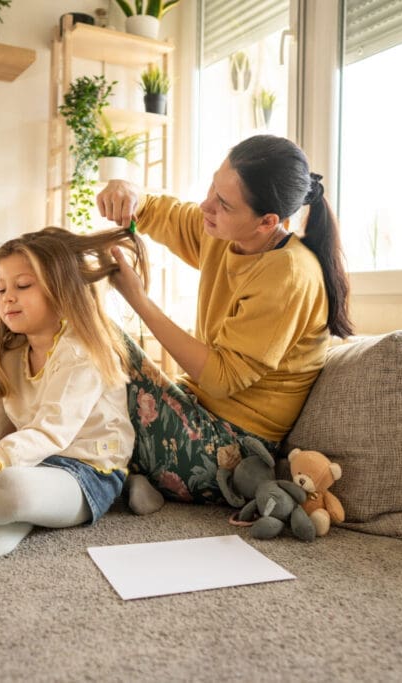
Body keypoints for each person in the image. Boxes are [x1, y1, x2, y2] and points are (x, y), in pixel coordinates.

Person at [96, 134, 353, 515]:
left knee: (98, 334)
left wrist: (139, 300)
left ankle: (100, 478)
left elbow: (219, 377)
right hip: (195, 412)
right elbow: (159, 213)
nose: (206, 205)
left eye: (224, 203)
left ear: (267, 222)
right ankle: (110, 477)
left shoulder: (288, 275)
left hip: (230, 454)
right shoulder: (222, 231)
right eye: (212, 187)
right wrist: (129, 191)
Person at [0, 226, 150, 557]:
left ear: (62, 289)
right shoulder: (11, 356)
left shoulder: (82, 352)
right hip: (34, 462)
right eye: (1, 288)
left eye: (22, 285)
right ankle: (8, 518)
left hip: (89, 472)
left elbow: (48, 431)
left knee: (9, 487)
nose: (7, 297)